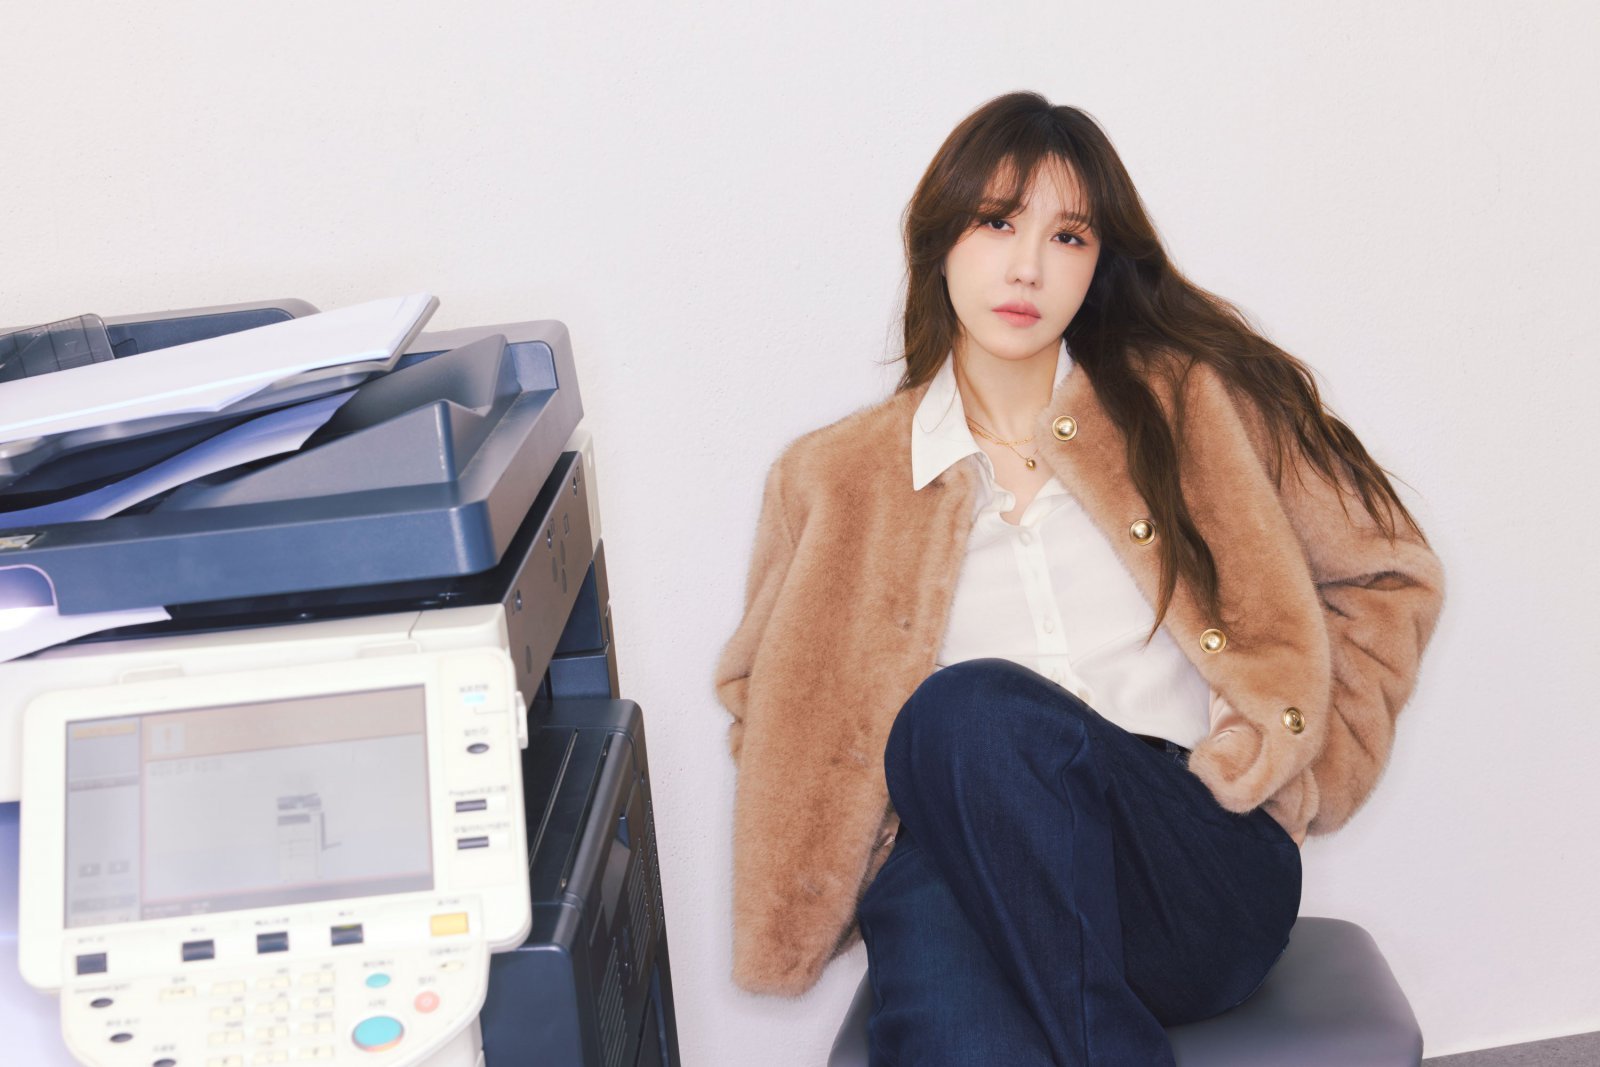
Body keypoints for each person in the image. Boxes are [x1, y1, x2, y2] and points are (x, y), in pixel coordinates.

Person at [713, 91, 1447, 1065]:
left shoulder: (1189, 405)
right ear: (938, 240)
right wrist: (871, 822)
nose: (1027, 266)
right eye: (997, 222)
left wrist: (1302, 764)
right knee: (938, 918)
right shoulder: (828, 478)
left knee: (962, 712)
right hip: (974, 869)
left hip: (1186, 869)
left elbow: (1386, 574)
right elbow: (765, 696)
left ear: (1098, 264)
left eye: (1067, 236)